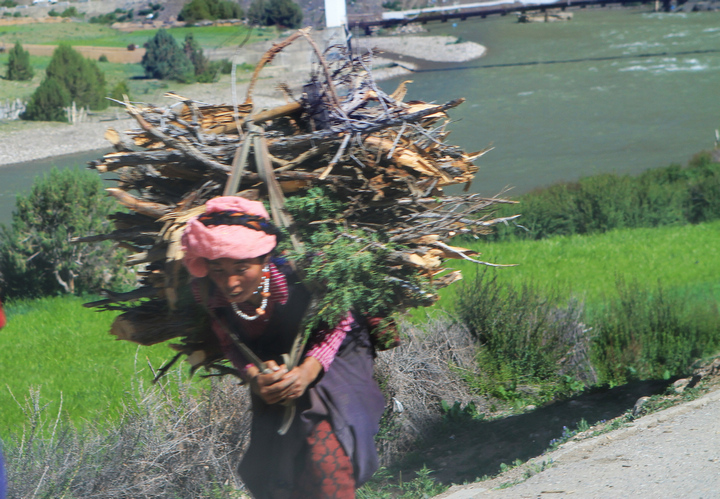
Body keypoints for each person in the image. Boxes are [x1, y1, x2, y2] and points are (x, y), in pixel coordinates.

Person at [181, 196, 386, 499]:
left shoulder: (300, 274)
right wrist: (254, 376)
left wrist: (306, 372)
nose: (231, 282)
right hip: (274, 368)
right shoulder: (206, 290)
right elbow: (228, 340)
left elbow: (339, 321)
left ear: (264, 260)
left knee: (328, 454)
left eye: (242, 267)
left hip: (336, 357)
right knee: (277, 469)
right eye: (218, 269)